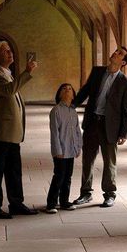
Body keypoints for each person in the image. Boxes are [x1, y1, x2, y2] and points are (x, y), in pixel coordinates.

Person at [72, 47, 127, 208]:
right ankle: (85, 193)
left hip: (110, 126)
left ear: (123, 62)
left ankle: (109, 194)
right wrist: (72, 105)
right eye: (116, 51)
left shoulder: (126, 83)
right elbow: (85, 90)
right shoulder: (97, 72)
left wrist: (124, 132)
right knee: (87, 159)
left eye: (120, 54)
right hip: (93, 122)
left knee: (110, 162)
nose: (115, 53)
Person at [0, 41, 38, 219]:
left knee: (14, 170)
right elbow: (9, 91)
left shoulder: (6, 73)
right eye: (6, 51)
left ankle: (16, 202)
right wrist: (27, 73)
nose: (10, 53)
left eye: (10, 50)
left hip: (10, 132)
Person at [45, 83, 82, 213]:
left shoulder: (73, 111)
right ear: (59, 94)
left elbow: (77, 131)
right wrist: (57, 151)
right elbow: (54, 132)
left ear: (73, 95)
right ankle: (51, 203)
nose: (67, 90)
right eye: (64, 89)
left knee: (68, 177)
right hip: (61, 150)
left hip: (71, 150)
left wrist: (78, 147)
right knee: (59, 176)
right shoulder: (56, 111)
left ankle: (64, 201)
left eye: (70, 89)